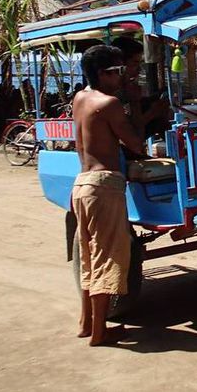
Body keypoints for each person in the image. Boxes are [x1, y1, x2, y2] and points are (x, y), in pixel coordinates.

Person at [71, 45, 144, 346]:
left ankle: (86, 323)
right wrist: (139, 106)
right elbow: (136, 144)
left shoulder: (80, 98)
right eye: (117, 72)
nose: (122, 77)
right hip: (105, 185)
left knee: (89, 256)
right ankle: (100, 333)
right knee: (107, 257)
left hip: (82, 184)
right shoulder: (110, 103)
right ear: (102, 74)